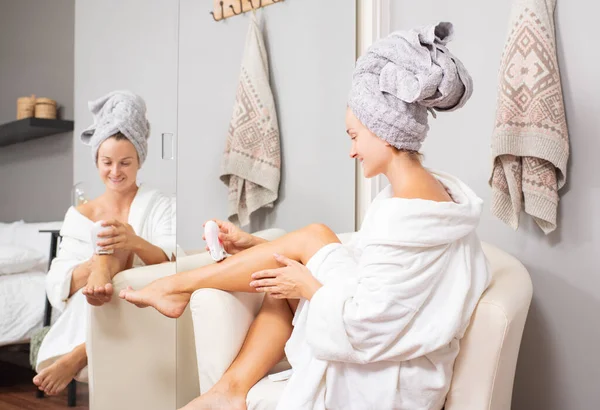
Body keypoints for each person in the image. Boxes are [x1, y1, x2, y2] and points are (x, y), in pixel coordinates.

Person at [121, 22, 491, 410]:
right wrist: (258, 246)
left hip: (387, 378)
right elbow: (376, 280)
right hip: (379, 339)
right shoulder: (418, 195)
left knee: (307, 245)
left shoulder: (406, 211)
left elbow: (371, 322)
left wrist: (309, 288)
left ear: (383, 131)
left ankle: (179, 292)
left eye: (354, 135)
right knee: (295, 256)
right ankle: (226, 389)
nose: (352, 151)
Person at [33, 91, 176, 396]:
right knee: (111, 247)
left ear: (139, 161)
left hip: (144, 300)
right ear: (96, 161)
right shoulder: (79, 215)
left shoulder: (160, 203)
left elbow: (172, 261)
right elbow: (60, 280)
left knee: (118, 237)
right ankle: (104, 267)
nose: (115, 172)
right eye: (106, 162)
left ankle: (80, 353)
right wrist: (99, 263)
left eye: (125, 162)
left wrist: (132, 242)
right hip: (94, 297)